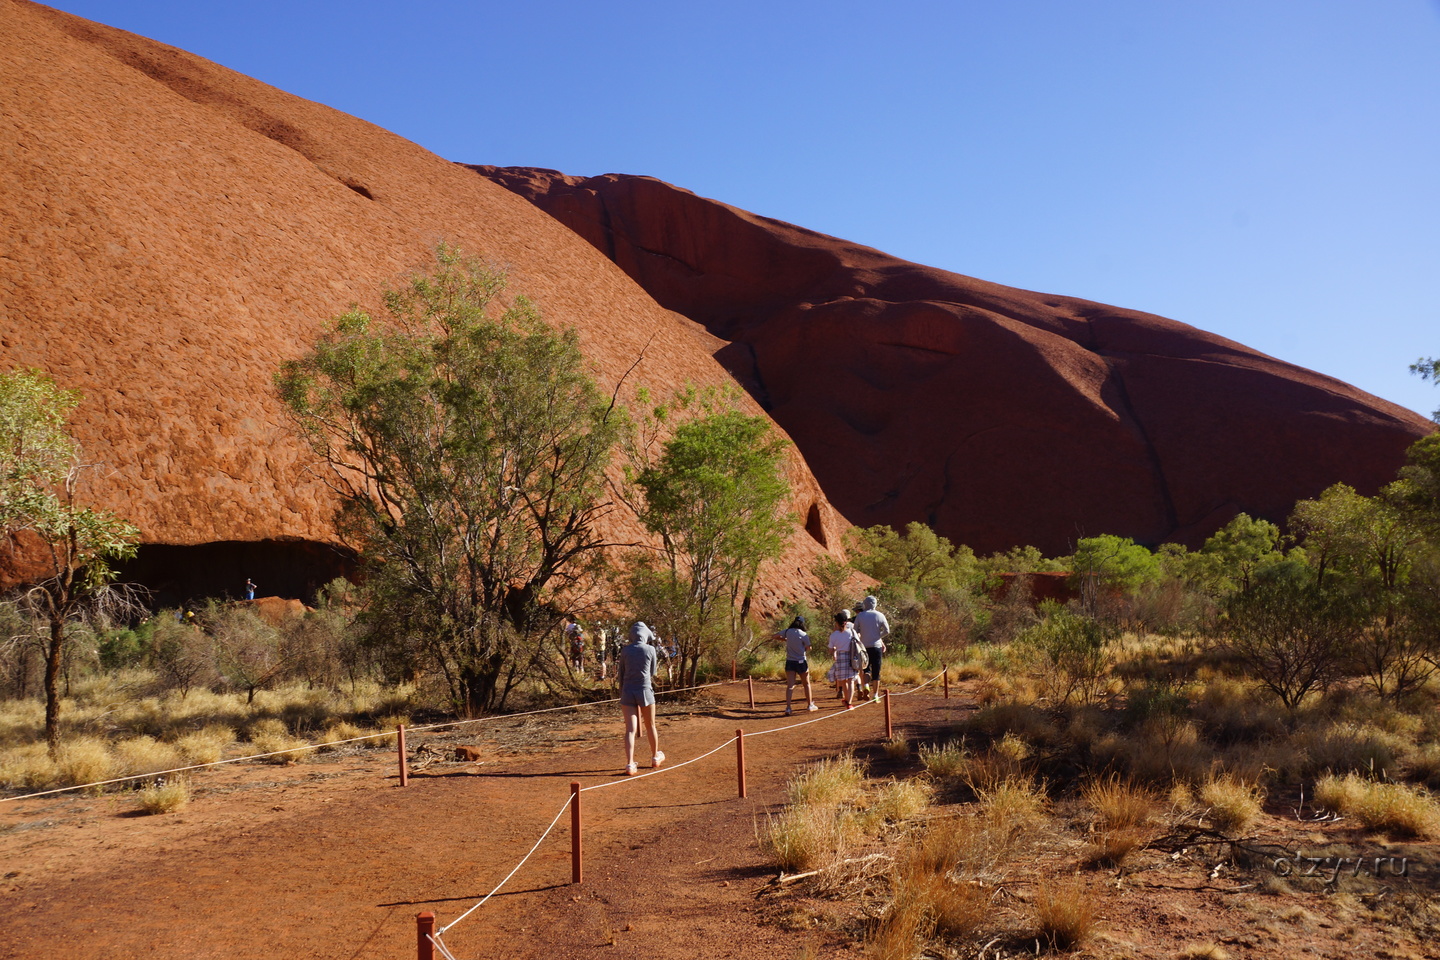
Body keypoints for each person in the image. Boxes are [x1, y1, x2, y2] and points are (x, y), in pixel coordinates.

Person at [617, 621, 664, 776]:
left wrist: (622, 691)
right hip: (645, 690)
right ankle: (655, 757)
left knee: (630, 729)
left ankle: (630, 764)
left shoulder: (625, 650)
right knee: (650, 725)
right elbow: (652, 672)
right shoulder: (650, 649)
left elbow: (621, 674)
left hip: (627, 691)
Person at [773, 615, 818, 716]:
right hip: (801, 661)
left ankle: (788, 708)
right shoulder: (803, 634)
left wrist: (785, 640)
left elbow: (774, 636)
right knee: (806, 684)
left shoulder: (787, 631)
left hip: (790, 661)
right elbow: (809, 647)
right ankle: (810, 705)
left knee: (790, 686)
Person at [854, 595, 891, 700]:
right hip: (876, 646)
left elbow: (855, 630)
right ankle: (875, 695)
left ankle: (866, 686)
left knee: (865, 669)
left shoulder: (860, 616)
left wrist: (861, 637)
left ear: (865, 604)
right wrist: (878, 636)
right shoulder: (880, 615)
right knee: (876, 671)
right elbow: (887, 630)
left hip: (864, 647)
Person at [827, 609, 861, 708]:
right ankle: (849, 702)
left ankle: (846, 700)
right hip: (851, 657)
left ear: (837, 623)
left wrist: (834, 650)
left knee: (843, 681)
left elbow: (830, 650)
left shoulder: (834, 635)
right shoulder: (852, 632)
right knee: (851, 681)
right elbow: (858, 643)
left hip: (840, 658)